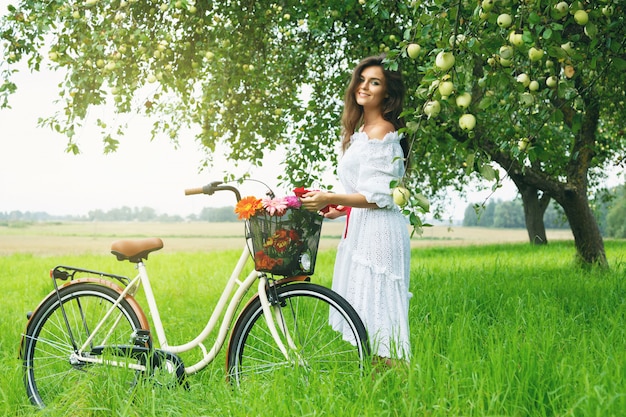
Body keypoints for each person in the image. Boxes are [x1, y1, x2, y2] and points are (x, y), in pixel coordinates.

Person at [301, 55, 411, 366]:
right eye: (362, 80)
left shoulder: (382, 132)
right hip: (363, 230)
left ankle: (406, 390)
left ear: (386, 94)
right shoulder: (362, 130)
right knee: (368, 320)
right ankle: (384, 393)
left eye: (374, 82)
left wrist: (330, 197)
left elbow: (379, 196)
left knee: (381, 321)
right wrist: (339, 207)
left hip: (380, 234)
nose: (364, 86)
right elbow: (363, 189)